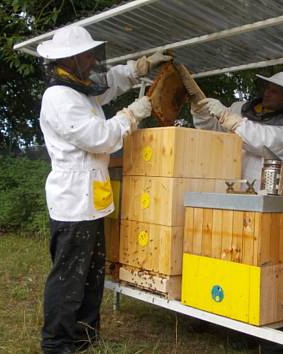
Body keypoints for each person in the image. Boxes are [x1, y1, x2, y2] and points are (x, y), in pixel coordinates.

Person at [36, 25, 171, 353]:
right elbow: (101, 138)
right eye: (88, 54)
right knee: (69, 275)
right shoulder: (59, 97)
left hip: (91, 197)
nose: (94, 59)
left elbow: (106, 84)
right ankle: (57, 343)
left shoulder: (79, 88)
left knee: (92, 274)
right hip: (72, 201)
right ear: (71, 59)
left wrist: (137, 69)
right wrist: (130, 115)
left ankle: (84, 336)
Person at [191, 72, 283, 189]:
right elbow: (215, 132)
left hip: (259, 190)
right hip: (226, 182)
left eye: (274, 92)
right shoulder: (238, 108)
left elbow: (262, 142)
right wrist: (201, 114)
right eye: (268, 88)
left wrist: (229, 118)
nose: (267, 94)